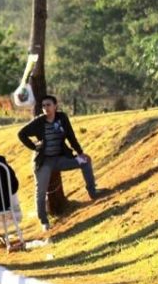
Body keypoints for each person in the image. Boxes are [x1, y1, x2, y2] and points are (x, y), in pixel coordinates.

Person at [17, 95, 99, 231]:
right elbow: (21, 134)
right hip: (44, 162)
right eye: (43, 106)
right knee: (41, 191)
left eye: (48, 105)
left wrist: (80, 153)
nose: (46, 108)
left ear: (55, 106)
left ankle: (93, 192)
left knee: (85, 161)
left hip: (60, 159)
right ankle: (44, 221)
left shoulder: (62, 118)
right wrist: (34, 146)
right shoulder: (39, 121)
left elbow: (71, 136)